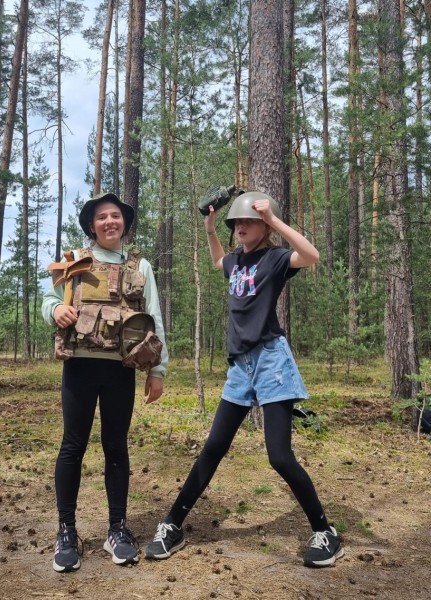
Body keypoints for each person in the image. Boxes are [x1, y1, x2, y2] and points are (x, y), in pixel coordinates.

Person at [145, 191, 344, 568]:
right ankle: (172, 525)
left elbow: (312, 255)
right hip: (240, 367)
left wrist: (274, 220)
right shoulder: (235, 261)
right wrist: (210, 228)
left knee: (279, 456)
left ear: (264, 226)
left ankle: (326, 532)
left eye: (248, 221)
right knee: (213, 447)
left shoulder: (276, 258)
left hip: (271, 361)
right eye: (236, 222)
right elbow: (218, 260)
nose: (240, 227)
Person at [42, 192, 168, 573]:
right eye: (102, 217)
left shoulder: (140, 266)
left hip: (120, 370)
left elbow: (154, 318)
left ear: (124, 223)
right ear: (91, 225)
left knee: (116, 447)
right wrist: (56, 310)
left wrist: (158, 370)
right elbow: (47, 300)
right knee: (73, 446)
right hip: (79, 368)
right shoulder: (74, 261)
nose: (110, 221)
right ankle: (66, 531)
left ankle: (117, 529)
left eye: (116, 215)